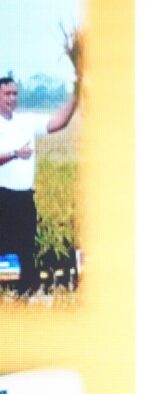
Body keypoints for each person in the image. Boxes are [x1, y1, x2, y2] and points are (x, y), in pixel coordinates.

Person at [0, 76, 78, 295]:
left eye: (15, 94)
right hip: (3, 197)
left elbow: (57, 123)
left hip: (25, 199)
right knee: (4, 248)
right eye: (7, 94)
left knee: (26, 247)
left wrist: (76, 96)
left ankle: (24, 295)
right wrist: (15, 154)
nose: (12, 98)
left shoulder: (25, 121)